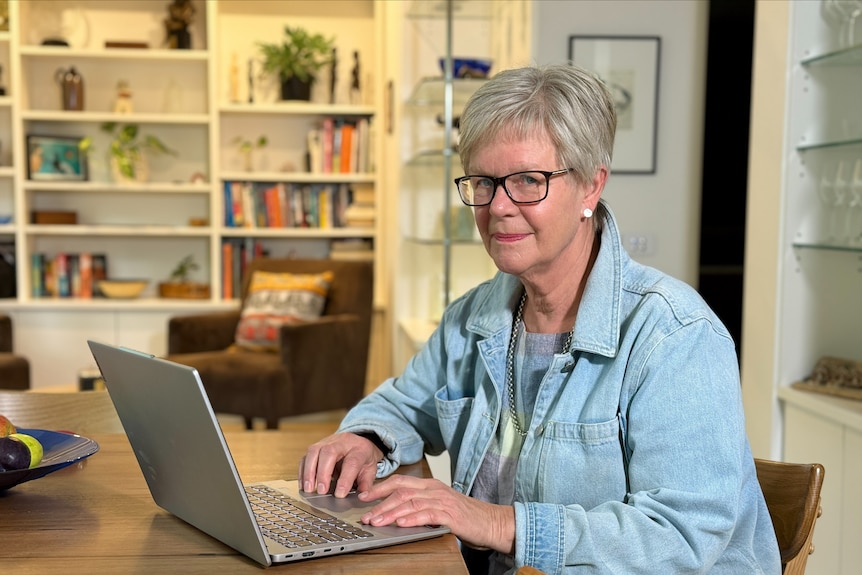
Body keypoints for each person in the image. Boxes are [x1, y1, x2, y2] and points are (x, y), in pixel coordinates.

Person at [301, 63, 781, 574]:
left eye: (528, 180)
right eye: (483, 182)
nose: (499, 207)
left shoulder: (675, 335)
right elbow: (404, 404)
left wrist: (494, 522)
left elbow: (680, 539)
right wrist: (365, 438)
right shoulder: (476, 315)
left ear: (591, 188)